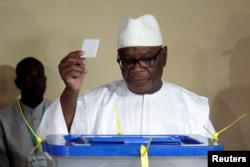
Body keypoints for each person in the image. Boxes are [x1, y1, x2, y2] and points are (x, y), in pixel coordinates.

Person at [37, 14, 215, 139]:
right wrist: (71, 90)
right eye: (127, 60)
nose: (136, 69)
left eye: (146, 59)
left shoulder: (191, 107)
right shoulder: (96, 102)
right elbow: (55, 138)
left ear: (163, 57)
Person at [0, 57, 52, 167]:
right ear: (18, 83)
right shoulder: (3, 118)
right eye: (28, 76)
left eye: (39, 76)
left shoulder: (59, 111)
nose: (35, 82)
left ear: (45, 79)